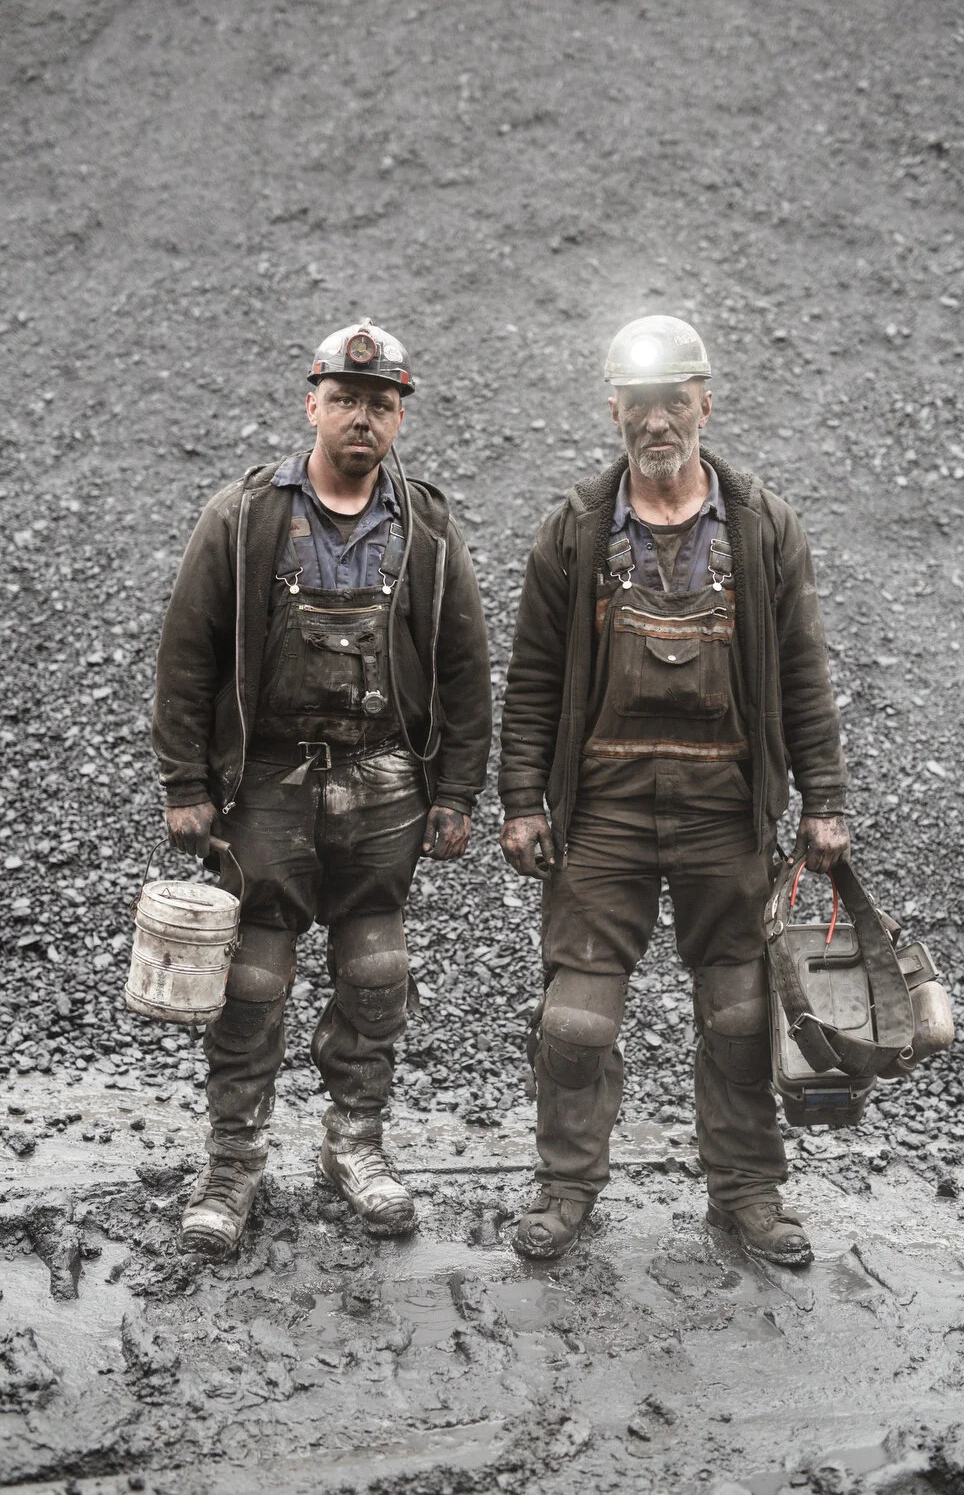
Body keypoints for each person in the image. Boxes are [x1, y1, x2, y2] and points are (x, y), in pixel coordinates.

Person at [498, 315, 849, 1265]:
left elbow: (804, 675)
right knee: (575, 1021)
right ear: (614, 409)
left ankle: (748, 1194)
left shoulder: (763, 528)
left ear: (707, 401)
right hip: (603, 810)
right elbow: (532, 678)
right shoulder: (574, 531)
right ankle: (567, 1188)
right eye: (640, 403)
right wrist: (522, 800)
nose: (659, 420)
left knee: (740, 1014)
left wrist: (824, 799)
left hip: (723, 809)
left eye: (676, 399)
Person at [152, 319, 492, 1256]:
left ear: (398, 420)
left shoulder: (425, 523)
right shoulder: (246, 516)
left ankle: (356, 1147)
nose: (361, 419)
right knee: (255, 975)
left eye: (380, 405)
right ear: (312, 404)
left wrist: (457, 791)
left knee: (377, 970)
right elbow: (184, 655)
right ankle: (233, 1163)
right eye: (344, 399)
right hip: (268, 783)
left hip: (387, 783)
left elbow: (465, 665)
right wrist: (186, 782)